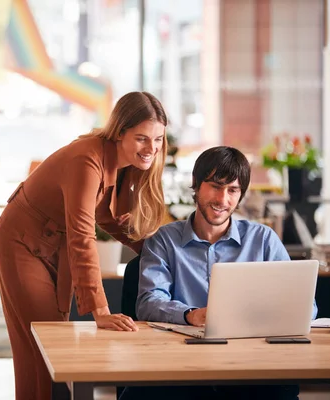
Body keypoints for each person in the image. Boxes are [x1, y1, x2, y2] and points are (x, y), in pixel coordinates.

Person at [0, 91, 169, 400]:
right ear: (120, 132)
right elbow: (82, 234)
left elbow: (106, 215)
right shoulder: (86, 160)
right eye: (142, 138)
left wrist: (153, 250)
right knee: (46, 346)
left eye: (157, 139)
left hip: (54, 246)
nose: (151, 148)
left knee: (48, 352)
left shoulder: (118, 161)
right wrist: (100, 310)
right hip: (21, 242)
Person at [120, 146, 317, 400]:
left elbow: (305, 306)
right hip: (180, 366)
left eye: (232, 190)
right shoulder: (164, 241)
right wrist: (190, 315)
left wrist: (265, 316)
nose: (222, 200)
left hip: (251, 364)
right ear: (196, 185)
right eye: (214, 186)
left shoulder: (263, 240)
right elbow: (148, 302)